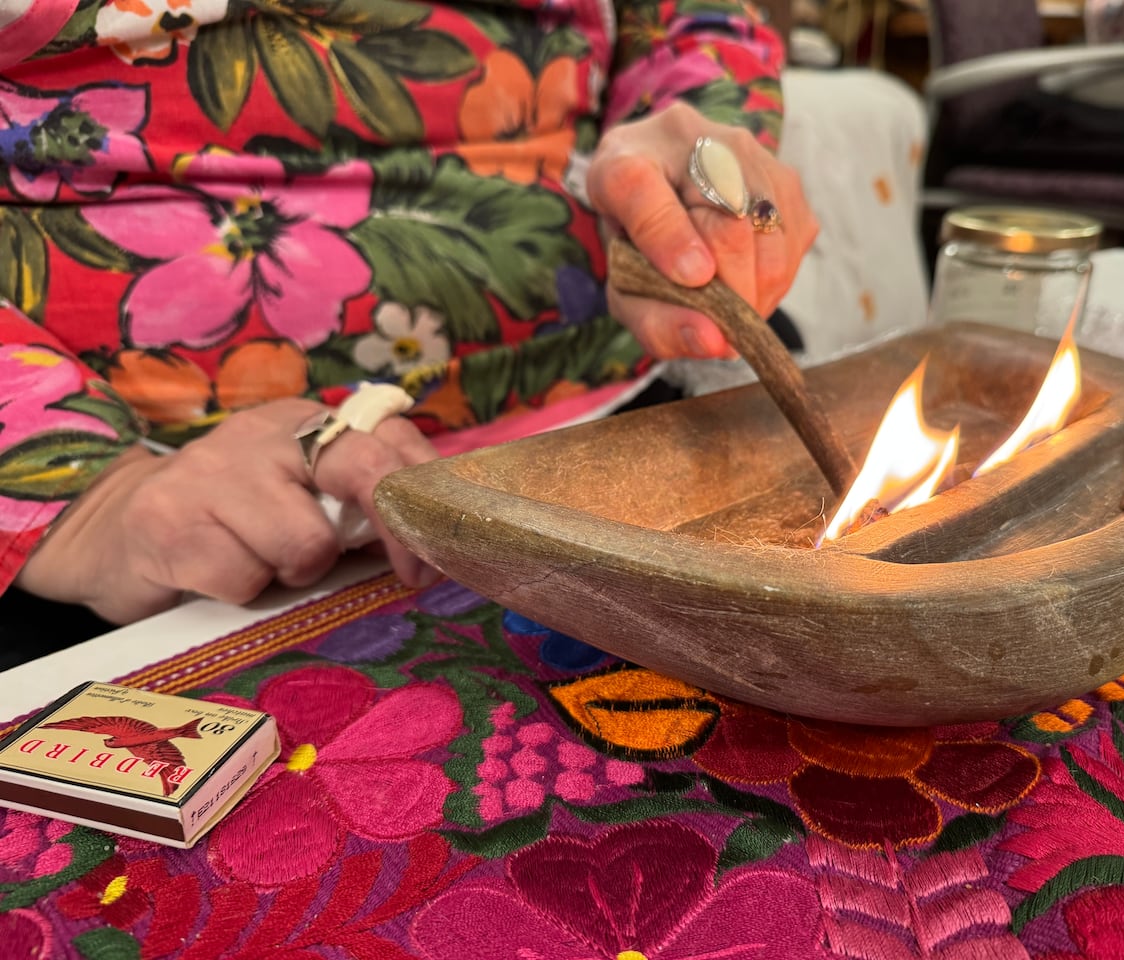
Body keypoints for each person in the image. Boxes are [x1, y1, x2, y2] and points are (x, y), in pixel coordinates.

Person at [0, 0, 817, 639]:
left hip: (634, 415)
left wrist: (696, 133)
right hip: (180, 547)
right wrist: (83, 492)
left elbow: (689, 18)